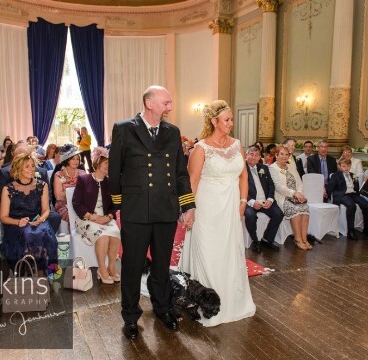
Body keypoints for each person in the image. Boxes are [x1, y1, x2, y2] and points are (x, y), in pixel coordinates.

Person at [109, 85, 195, 339]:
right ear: (149, 103)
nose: (170, 107)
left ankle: (163, 308)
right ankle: (131, 316)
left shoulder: (173, 132)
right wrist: (119, 206)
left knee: (161, 266)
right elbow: (115, 172)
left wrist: (188, 205)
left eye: (170, 103)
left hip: (165, 209)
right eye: (166, 102)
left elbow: (181, 173)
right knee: (133, 267)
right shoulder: (125, 129)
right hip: (135, 210)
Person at [180, 99, 256, 327]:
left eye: (232, 119)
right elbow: (192, 182)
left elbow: (243, 176)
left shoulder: (237, 145)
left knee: (229, 250)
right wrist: (189, 209)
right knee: (208, 251)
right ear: (214, 121)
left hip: (231, 206)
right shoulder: (201, 148)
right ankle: (207, 301)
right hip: (207, 207)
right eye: (227, 119)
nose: (231, 123)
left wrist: (243, 201)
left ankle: (234, 299)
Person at [0, 153, 58, 272]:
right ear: (18, 168)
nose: (31, 169)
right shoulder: (8, 189)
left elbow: (46, 210)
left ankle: (46, 272)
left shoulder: (42, 185)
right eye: (27, 166)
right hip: (16, 224)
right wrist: (18, 222)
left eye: (32, 166)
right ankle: (30, 270)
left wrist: (41, 219)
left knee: (46, 234)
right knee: (28, 234)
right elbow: (3, 217)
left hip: (37, 221)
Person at [72, 147, 121, 284]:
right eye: (106, 164)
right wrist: (92, 217)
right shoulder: (83, 179)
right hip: (86, 218)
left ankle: (111, 266)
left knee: (116, 232)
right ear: (98, 164)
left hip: (105, 218)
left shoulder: (110, 182)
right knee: (103, 236)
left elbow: (115, 205)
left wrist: (109, 217)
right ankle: (101, 269)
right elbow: (76, 202)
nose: (108, 167)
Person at [269, 145, 311, 250]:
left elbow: (300, 183)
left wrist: (300, 193)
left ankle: (304, 238)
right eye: (281, 154)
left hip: (296, 196)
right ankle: (297, 239)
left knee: (305, 208)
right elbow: (279, 187)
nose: (284, 156)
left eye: (286, 154)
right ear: (276, 155)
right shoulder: (273, 168)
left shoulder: (291, 167)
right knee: (296, 209)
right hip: (283, 197)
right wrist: (294, 193)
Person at [244, 146, 283, 253]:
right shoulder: (241, 169)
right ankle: (255, 241)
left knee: (278, 213)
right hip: (249, 202)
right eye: (251, 154)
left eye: (256, 155)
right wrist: (252, 202)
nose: (253, 157)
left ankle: (267, 239)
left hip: (265, 201)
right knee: (250, 215)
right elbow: (238, 188)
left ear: (259, 157)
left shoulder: (264, 168)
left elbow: (271, 185)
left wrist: (270, 199)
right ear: (246, 155)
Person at [327, 158, 368, 240]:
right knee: (351, 206)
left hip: (353, 194)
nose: (346, 168)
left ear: (350, 166)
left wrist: (357, 194)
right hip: (343, 195)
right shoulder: (336, 175)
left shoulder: (352, 175)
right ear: (340, 167)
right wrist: (331, 199)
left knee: (367, 205)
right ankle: (351, 230)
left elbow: (357, 187)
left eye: (348, 166)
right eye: (344, 166)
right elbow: (330, 188)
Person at [53, 147, 85, 222]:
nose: (76, 161)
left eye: (77, 159)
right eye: (73, 159)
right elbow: (58, 197)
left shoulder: (83, 173)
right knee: (73, 217)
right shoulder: (59, 175)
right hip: (64, 205)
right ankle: (73, 233)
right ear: (67, 160)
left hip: (80, 204)